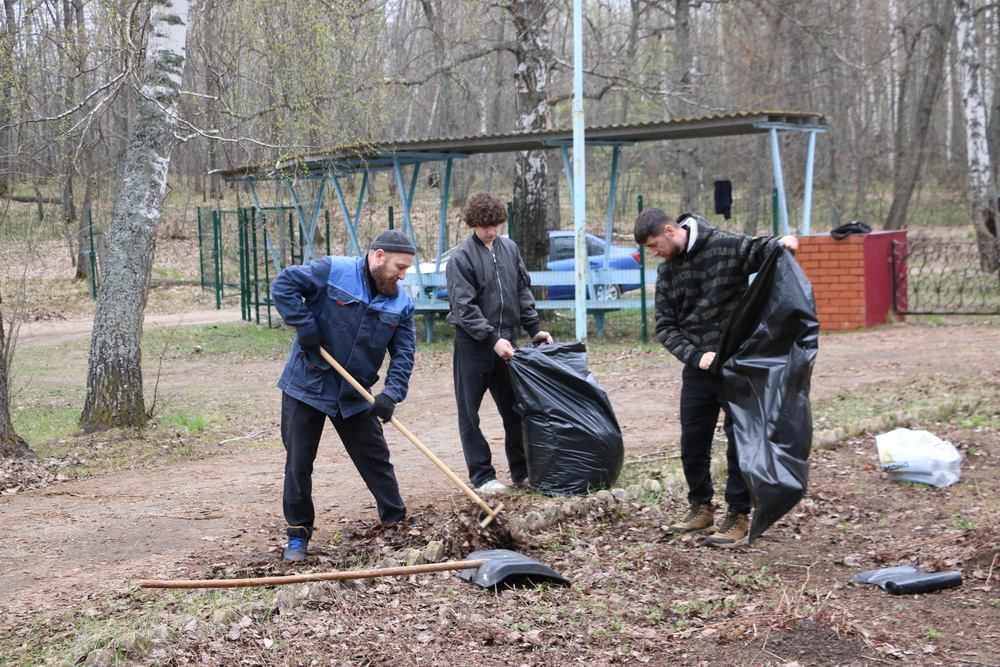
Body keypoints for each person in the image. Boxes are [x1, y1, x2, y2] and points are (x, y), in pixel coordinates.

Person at [633, 208, 798, 548]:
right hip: (698, 371)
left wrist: (783, 243)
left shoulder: (724, 245)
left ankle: (738, 515)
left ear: (670, 231)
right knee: (693, 443)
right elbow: (665, 326)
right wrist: (696, 356)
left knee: (740, 443)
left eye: (653, 245)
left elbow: (759, 249)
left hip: (739, 368)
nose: (654, 253)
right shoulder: (667, 272)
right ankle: (701, 508)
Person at [271, 230, 418, 561]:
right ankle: (297, 536)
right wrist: (305, 325)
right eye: (400, 267)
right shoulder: (332, 271)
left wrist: (391, 394)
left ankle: (395, 522)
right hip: (307, 384)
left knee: (376, 458)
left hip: (354, 392)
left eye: (406, 269)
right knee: (298, 463)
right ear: (378, 256)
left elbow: (404, 354)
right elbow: (284, 284)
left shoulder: (401, 303)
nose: (402, 275)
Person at [445, 192, 552, 495]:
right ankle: (483, 477)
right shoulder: (460, 257)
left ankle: (522, 471)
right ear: (473, 224)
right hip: (473, 345)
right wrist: (492, 338)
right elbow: (464, 307)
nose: (491, 231)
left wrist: (534, 328)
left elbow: (522, 289)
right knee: (470, 413)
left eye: (495, 225)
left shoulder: (510, 248)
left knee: (515, 409)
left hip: (509, 343)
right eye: (484, 226)